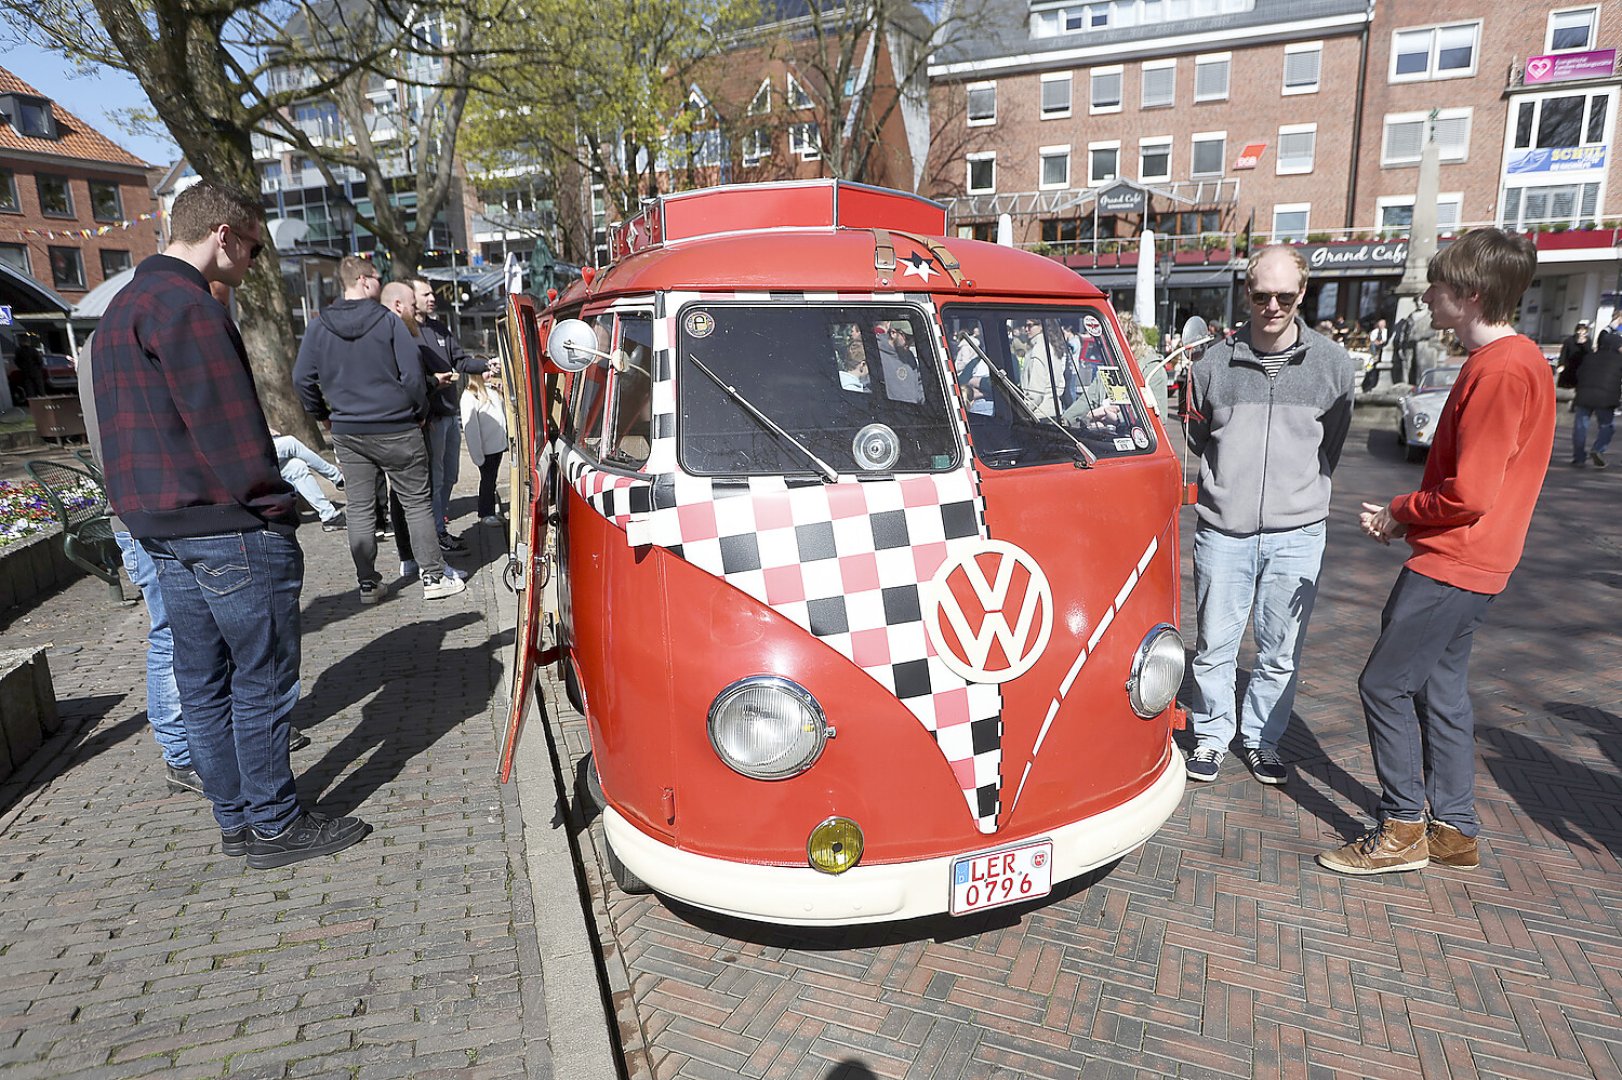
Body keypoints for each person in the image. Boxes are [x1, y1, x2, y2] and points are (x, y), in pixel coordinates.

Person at [92, 180, 368, 867]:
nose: (253, 261)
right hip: (227, 526)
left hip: (162, 527)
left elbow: (117, 436)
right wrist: (274, 508)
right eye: (251, 246)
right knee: (260, 680)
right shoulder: (189, 307)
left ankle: (239, 822)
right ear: (222, 234)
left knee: (204, 680)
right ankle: (275, 824)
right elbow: (232, 428)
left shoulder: (119, 311)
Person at [1320, 228, 1553, 875]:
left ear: (1471, 296)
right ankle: (1454, 829)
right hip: (1475, 560)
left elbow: (1471, 492)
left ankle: (1402, 828)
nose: (1427, 297)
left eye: (1440, 288)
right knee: (1440, 690)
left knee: (1384, 686)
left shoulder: (1502, 368)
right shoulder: (1522, 360)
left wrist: (1401, 512)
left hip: (1454, 562)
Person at [1183, 245, 1356, 785]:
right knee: (1214, 645)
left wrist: (1297, 489)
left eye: (1285, 296)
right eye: (1262, 295)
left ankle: (1261, 738)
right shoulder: (1212, 363)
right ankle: (1212, 736)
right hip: (1224, 529)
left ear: (1302, 293)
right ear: (1247, 292)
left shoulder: (1332, 364)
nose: (1273, 307)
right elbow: (1197, 435)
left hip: (1298, 532)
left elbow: (1333, 441)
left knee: (1281, 650)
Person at [293, 258, 465, 602]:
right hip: (396, 425)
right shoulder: (388, 321)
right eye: (377, 276)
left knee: (358, 506)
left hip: (348, 430)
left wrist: (323, 415)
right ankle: (433, 577)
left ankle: (368, 583)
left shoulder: (318, 326)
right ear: (363, 280)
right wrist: (418, 411)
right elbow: (413, 375)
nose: (379, 281)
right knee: (416, 503)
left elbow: (302, 379)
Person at [410, 278, 492, 552]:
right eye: (426, 293)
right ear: (411, 298)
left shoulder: (438, 328)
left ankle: (440, 525)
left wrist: (485, 365)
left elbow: (460, 361)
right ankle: (435, 534)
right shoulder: (406, 332)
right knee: (435, 476)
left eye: (433, 292)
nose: (432, 297)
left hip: (449, 414)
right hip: (431, 419)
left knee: (450, 476)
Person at [272, 432, 346, 531]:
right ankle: (337, 477)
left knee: (297, 467)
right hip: (247, 462)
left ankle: (330, 517)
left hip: (254, 458)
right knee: (290, 443)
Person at [460, 373, 508, 523]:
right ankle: (485, 513)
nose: (491, 373)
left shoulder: (492, 391)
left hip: (497, 446)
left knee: (492, 480)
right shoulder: (470, 396)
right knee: (487, 481)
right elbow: (471, 428)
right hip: (485, 449)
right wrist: (477, 455)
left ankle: (490, 511)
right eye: (486, 370)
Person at [1571, 340, 1620, 468]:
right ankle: (1598, 449)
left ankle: (1579, 457)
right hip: (1606, 398)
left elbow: (1579, 373)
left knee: (1580, 427)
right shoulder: (1619, 359)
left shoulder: (1589, 356)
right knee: (1606, 426)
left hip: (1584, 395)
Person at [1556, 323, 1591, 390]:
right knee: (1568, 385)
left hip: (1581, 366)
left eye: (1583, 331)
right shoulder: (1569, 341)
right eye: (1579, 330)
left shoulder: (1588, 341)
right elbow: (1564, 354)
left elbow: (1589, 353)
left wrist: (1584, 343)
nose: (1581, 333)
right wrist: (1561, 364)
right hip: (1570, 365)